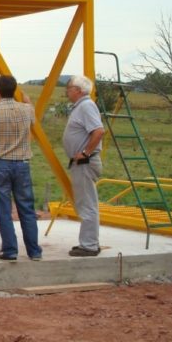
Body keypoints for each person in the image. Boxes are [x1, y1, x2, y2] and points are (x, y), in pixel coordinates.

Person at [0, 75, 42, 261]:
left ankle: (10, 249)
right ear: (14, 90)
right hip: (22, 164)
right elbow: (31, 113)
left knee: (3, 209)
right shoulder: (27, 110)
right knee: (26, 208)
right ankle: (34, 251)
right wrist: (26, 100)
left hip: (0, 163)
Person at [63, 75, 105, 257]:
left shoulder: (86, 106)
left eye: (70, 87)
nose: (67, 90)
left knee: (87, 204)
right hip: (82, 162)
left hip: (85, 163)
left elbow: (99, 131)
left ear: (79, 90)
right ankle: (89, 242)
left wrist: (86, 152)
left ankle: (89, 245)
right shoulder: (82, 107)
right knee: (86, 202)